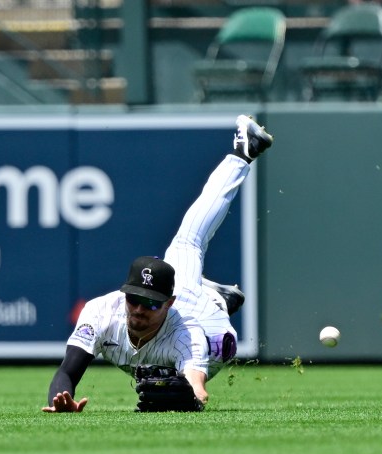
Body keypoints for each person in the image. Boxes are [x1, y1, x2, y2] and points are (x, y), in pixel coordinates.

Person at [42, 114, 273, 413]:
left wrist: (190, 398)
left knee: (222, 339)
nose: (138, 309)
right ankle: (212, 292)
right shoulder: (100, 313)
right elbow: (67, 372)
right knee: (183, 245)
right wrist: (60, 400)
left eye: (150, 303)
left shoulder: (186, 336)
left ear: (167, 302)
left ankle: (243, 153)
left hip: (202, 322)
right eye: (134, 298)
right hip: (181, 293)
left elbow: (198, 389)